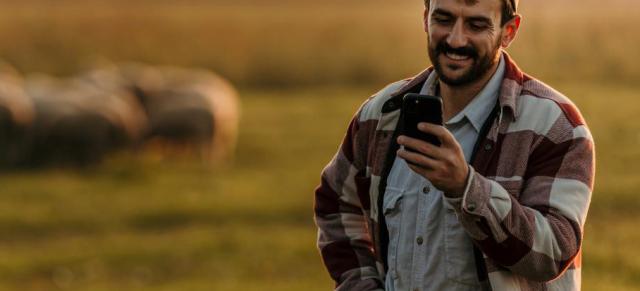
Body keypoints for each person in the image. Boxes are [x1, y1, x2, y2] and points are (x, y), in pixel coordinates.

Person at [313, 0, 595, 290]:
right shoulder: (381, 115)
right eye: (444, 20)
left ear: (508, 31)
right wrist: (360, 284)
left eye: (476, 25)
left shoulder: (555, 126)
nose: (456, 39)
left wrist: (465, 187)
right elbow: (335, 202)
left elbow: (554, 251)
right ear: (426, 19)